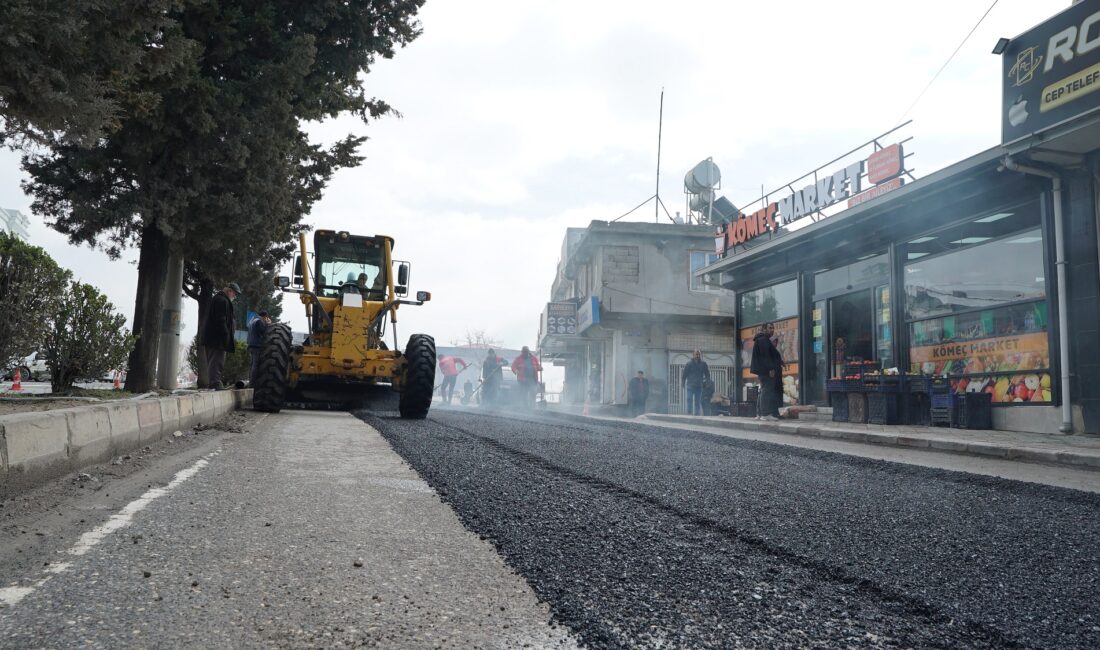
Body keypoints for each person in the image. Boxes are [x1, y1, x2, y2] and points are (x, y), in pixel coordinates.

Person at [201, 282, 240, 389]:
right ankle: (215, 383)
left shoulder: (220, 299)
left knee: (215, 361)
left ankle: (215, 382)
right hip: (217, 339)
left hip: (214, 338)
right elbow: (221, 320)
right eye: (234, 293)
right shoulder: (222, 301)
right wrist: (226, 335)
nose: (235, 296)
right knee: (216, 361)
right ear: (229, 291)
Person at [750, 322, 785, 420]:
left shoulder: (762, 339)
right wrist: (770, 368)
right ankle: (765, 414)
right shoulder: (763, 340)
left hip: (763, 370)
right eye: (770, 328)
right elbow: (766, 356)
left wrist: (779, 361)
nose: (772, 330)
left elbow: (770, 354)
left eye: (773, 328)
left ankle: (760, 413)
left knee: (764, 390)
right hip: (765, 371)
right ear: (764, 329)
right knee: (767, 391)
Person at [681, 349, 711, 416]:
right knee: (689, 399)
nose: (697, 356)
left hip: (699, 386)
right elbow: (684, 374)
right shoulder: (689, 364)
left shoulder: (703, 364)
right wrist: (683, 383)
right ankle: (689, 412)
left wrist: (707, 382)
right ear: (693, 355)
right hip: (690, 385)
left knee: (697, 401)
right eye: (696, 354)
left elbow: (707, 374)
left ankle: (697, 413)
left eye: (698, 354)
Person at [246, 310, 272, 385]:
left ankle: (250, 380)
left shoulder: (252, 321)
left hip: (250, 345)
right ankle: (252, 382)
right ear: (265, 316)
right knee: (255, 364)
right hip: (256, 345)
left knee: (251, 364)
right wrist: (268, 324)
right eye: (266, 318)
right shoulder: (259, 322)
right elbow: (263, 331)